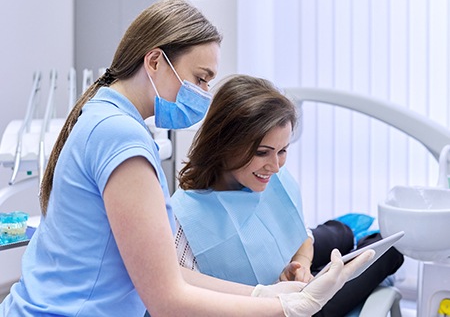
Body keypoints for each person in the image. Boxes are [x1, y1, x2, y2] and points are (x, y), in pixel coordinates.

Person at [0, 0, 373, 317]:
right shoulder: (121, 138)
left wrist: (265, 294)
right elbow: (166, 299)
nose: (206, 93)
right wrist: (285, 308)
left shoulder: (105, 117)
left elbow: (163, 273)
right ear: (156, 61)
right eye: (201, 78)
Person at [171, 74, 404, 317]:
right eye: (262, 152)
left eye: (282, 151)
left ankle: (346, 234)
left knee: (343, 234)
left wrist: (302, 264)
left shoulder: (267, 176)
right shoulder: (183, 221)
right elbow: (182, 297)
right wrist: (282, 298)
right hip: (277, 309)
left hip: (286, 266)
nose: (275, 166)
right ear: (224, 143)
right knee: (389, 250)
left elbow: (301, 237)